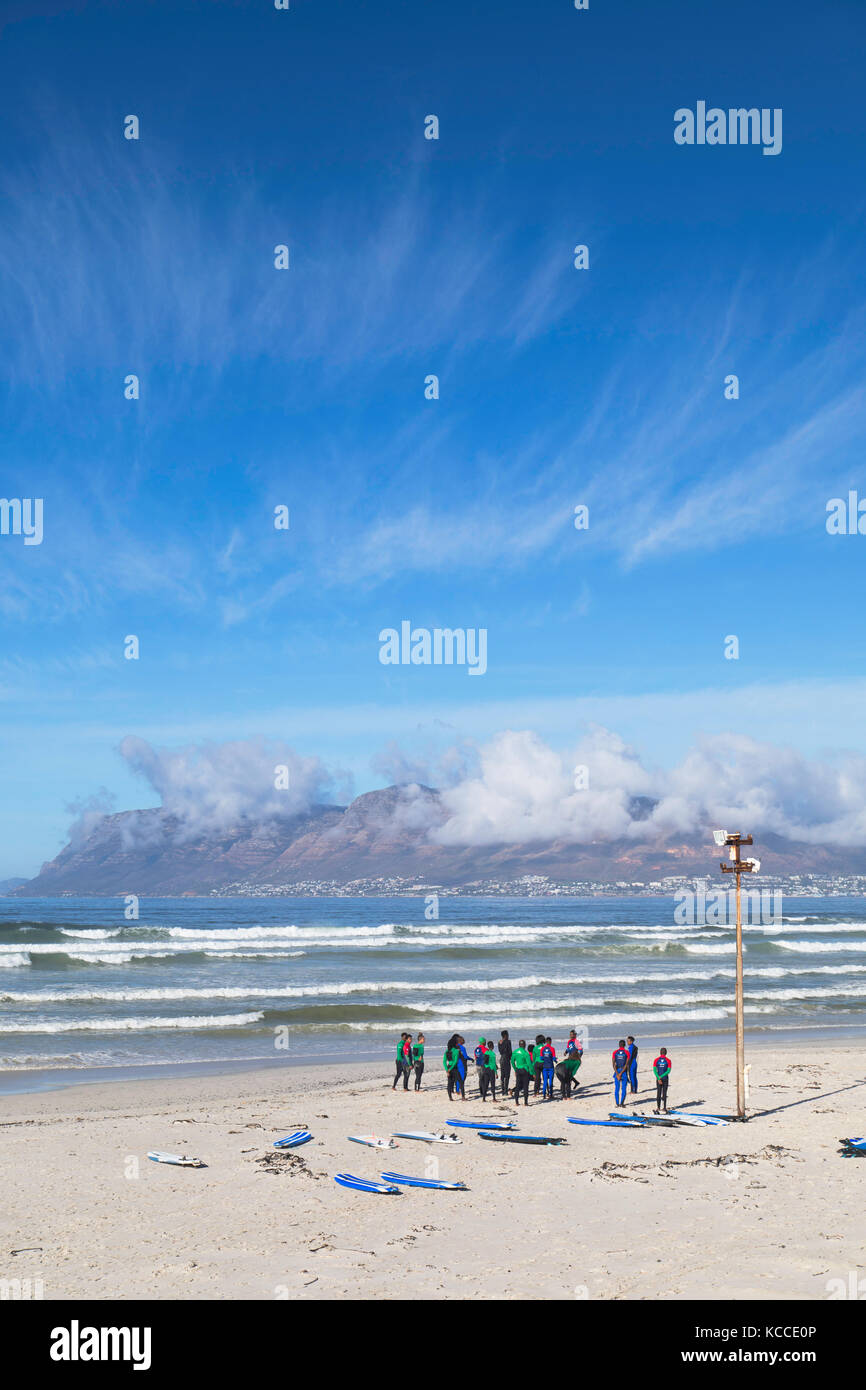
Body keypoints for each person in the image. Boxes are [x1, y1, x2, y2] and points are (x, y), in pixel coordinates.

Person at [511, 1038, 533, 1106]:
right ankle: (525, 1103)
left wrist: (515, 1069)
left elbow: (512, 1061)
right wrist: (532, 1073)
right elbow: (529, 1064)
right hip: (525, 1070)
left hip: (518, 1070)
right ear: (525, 1045)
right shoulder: (526, 1053)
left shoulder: (515, 1052)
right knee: (525, 1086)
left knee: (517, 1086)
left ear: (519, 1045)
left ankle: (516, 1102)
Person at [612, 1038, 630, 1108]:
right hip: (623, 1071)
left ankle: (617, 1103)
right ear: (624, 1045)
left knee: (617, 1088)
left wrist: (617, 1073)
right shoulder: (627, 1052)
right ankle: (622, 1103)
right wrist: (621, 1074)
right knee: (624, 1088)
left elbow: (613, 1064)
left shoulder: (615, 1052)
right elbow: (626, 1064)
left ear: (619, 1045)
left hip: (617, 1071)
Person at [653, 1047, 672, 1113]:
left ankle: (658, 1107)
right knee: (664, 1093)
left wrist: (658, 1078)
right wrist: (661, 1077)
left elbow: (655, 1070)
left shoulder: (656, 1060)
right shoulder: (668, 1060)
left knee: (658, 1092)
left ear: (660, 1052)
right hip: (665, 1078)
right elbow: (668, 1071)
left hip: (658, 1079)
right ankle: (664, 1108)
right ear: (666, 1053)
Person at [443, 1035, 462, 1101]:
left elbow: (444, 1061)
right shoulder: (456, 1051)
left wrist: (447, 1070)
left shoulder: (446, 1051)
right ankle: (463, 1097)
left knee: (449, 1083)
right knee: (460, 1081)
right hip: (454, 1068)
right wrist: (450, 1069)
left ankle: (450, 1097)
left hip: (448, 1067)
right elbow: (455, 1061)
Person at [540, 1036, 557, 1100]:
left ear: (546, 1042)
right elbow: (554, 1058)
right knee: (550, 1081)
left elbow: (541, 1058)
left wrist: (545, 1057)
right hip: (550, 1067)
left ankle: (544, 1095)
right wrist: (555, 1060)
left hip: (544, 1067)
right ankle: (551, 1094)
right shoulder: (552, 1049)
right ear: (550, 1042)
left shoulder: (542, 1049)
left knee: (545, 1081)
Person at [498, 1030, 513, 1098]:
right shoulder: (508, 1042)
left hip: (501, 1059)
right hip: (506, 1059)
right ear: (506, 1035)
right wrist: (510, 1058)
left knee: (502, 1075)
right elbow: (510, 1051)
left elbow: (500, 1051)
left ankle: (502, 1090)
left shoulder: (499, 1042)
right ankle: (506, 1091)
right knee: (507, 1076)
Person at [456, 1036, 469, 1100]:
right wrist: (471, 1058)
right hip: (462, 1064)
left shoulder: (454, 1047)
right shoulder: (462, 1048)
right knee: (462, 1078)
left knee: (458, 1077)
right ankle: (460, 1091)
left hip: (456, 1063)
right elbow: (465, 1057)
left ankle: (457, 1090)